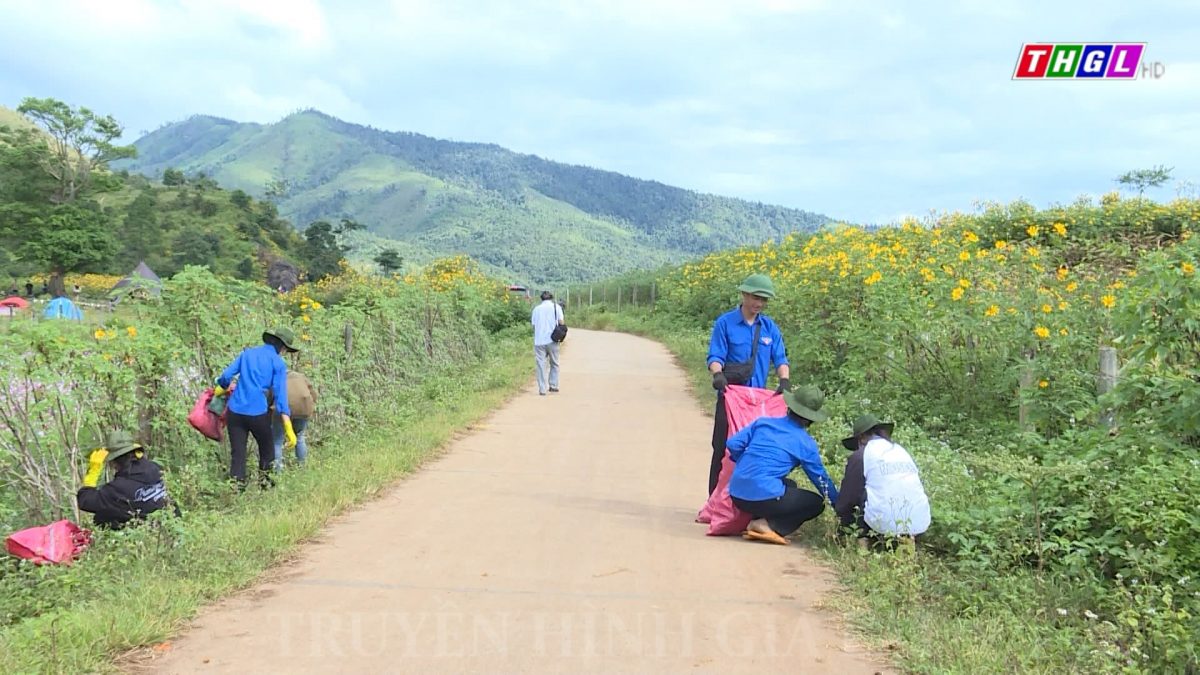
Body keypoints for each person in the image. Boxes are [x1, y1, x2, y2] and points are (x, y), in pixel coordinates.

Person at [706, 273, 790, 495]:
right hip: (730, 399)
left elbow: (780, 358)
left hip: (756, 403)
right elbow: (715, 356)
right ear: (744, 294)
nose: (759, 303)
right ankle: (714, 501)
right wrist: (718, 375)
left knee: (751, 451)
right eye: (755, 297)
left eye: (763, 300)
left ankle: (742, 503)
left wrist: (784, 380)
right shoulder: (725, 323)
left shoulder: (770, 328)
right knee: (722, 449)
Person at [726, 385, 838, 545]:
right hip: (764, 497)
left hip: (736, 493)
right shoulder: (805, 443)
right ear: (810, 419)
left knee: (790, 484)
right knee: (816, 503)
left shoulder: (763, 423)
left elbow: (732, 444)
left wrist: (744, 462)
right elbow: (821, 481)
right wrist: (839, 505)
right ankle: (767, 525)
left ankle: (758, 519)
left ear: (790, 407)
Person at [216, 327, 298, 487]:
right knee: (267, 451)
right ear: (282, 347)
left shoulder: (247, 354)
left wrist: (221, 388)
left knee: (238, 455)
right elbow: (280, 397)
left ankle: (236, 491)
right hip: (257, 413)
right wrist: (289, 428)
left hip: (235, 412)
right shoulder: (278, 363)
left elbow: (226, 376)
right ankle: (266, 486)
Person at [835, 414, 931, 541]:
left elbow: (848, 498)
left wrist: (841, 520)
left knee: (858, 492)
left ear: (862, 438)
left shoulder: (861, 455)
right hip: (919, 524)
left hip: (882, 526)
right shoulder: (900, 451)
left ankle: (863, 538)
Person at [77, 430, 171, 529]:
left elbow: (85, 501)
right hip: (171, 525)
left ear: (114, 462)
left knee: (101, 518)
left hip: (148, 533)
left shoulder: (117, 489)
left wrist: (94, 471)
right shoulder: (155, 468)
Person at [272, 370, 317, 469]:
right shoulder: (301, 376)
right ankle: (302, 467)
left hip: (282, 411)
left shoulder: (275, 378)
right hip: (303, 409)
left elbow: (269, 397)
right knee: (300, 437)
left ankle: (277, 472)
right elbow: (313, 394)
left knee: (277, 442)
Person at [531, 290, 564, 396]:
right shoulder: (556, 307)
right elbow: (561, 323)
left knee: (541, 365)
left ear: (541, 298)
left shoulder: (536, 309)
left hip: (539, 341)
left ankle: (542, 389)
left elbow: (533, 325)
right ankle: (553, 385)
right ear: (551, 298)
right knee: (554, 363)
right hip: (552, 340)